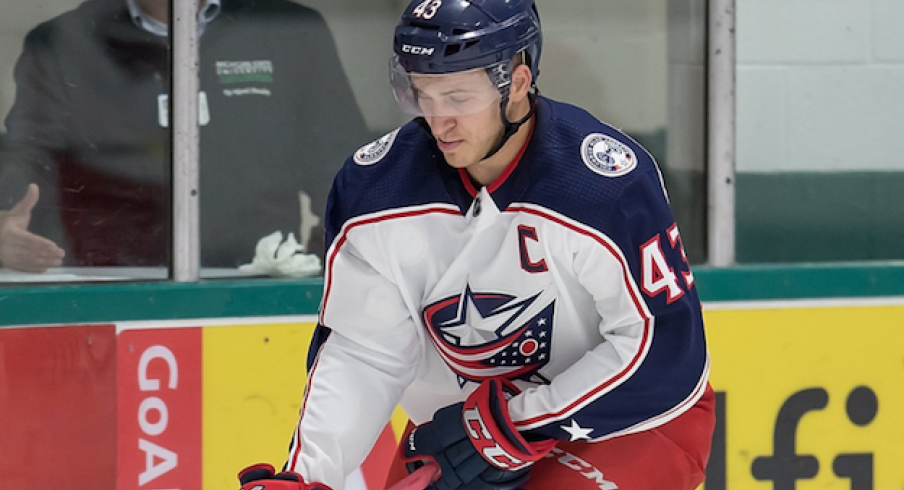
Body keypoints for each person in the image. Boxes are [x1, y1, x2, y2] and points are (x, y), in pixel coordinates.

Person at [238, 1, 714, 489]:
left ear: (519, 83)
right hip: (462, 430)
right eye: (423, 94)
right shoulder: (374, 192)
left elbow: (663, 353)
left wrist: (515, 422)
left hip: (631, 421)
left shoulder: (600, 184)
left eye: (458, 98)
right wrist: (305, 473)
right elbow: (366, 351)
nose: (438, 121)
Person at [0, 0, 368, 272]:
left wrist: (330, 261)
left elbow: (341, 164)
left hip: (257, 286)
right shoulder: (62, 43)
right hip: (109, 286)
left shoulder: (290, 31)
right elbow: (29, 156)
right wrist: (5, 224)